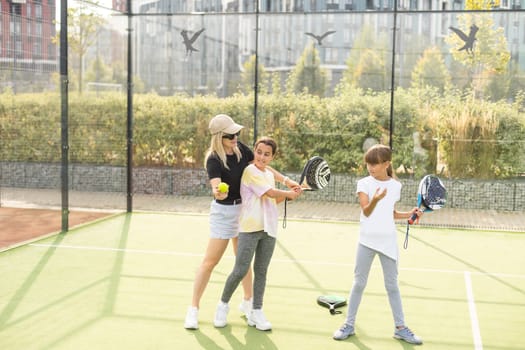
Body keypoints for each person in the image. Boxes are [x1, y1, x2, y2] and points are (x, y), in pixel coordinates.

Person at [184, 115, 298, 330]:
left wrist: (287, 181)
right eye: (230, 135)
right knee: (210, 262)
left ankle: (248, 303)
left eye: (236, 133)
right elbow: (216, 187)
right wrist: (217, 192)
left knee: (242, 261)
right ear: (220, 137)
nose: (235, 137)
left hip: (245, 212)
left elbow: (262, 166)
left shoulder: (241, 149)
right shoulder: (213, 159)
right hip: (224, 213)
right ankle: (193, 309)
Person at [333, 144, 424, 345]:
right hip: (366, 241)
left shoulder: (396, 186)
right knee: (359, 283)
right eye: (368, 163)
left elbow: (389, 214)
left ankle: (400, 328)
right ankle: (348, 324)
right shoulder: (363, 183)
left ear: (386, 164)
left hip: (388, 241)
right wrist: (375, 199)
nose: (371, 167)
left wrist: (410, 213)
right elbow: (367, 210)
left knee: (392, 286)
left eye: (375, 164)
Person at [213, 136, 302, 331]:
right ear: (254, 151)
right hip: (249, 229)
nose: (262, 157)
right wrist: (289, 192)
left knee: (261, 272)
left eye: (267, 154)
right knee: (240, 269)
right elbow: (270, 193)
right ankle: (222, 306)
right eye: (259, 152)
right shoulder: (249, 171)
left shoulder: (268, 175)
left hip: (269, 229)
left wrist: (289, 197)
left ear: (272, 157)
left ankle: (257, 311)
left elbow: (270, 201)